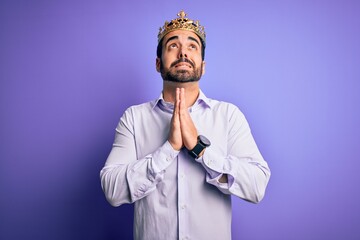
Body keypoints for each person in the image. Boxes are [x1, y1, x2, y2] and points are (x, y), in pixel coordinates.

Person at [100, 10, 271, 240]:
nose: (183, 52)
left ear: (203, 64)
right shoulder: (133, 118)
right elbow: (112, 189)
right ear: (158, 63)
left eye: (192, 46)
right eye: (173, 45)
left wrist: (200, 150)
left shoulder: (228, 116)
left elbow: (257, 185)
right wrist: (168, 149)